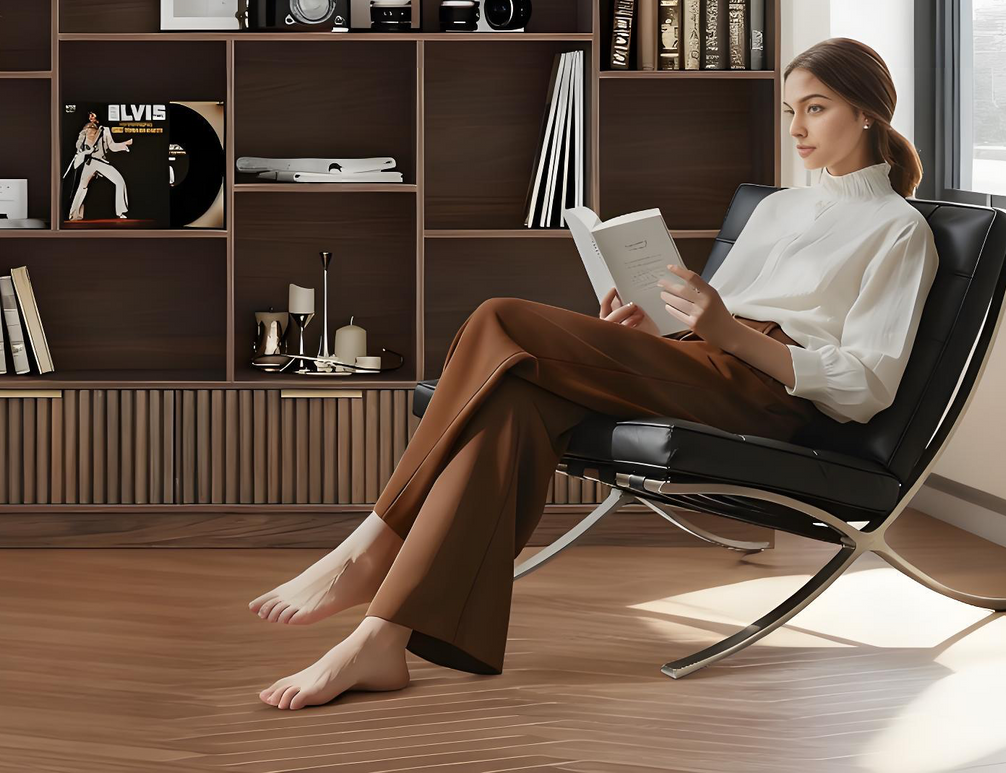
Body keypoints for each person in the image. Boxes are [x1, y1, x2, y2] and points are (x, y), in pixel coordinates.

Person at [249, 37, 940, 711]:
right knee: (516, 398)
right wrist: (649, 331)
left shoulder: (898, 229)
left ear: (867, 114)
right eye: (789, 108)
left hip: (770, 396)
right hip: (703, 363)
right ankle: (381, 637)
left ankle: (367, 546)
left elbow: (864, 384)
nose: (794, 126)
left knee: (500, 317)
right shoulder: (778, 205)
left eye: (814, 108)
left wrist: (724, 331)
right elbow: (706, 323)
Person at [64, 111, 132, 221]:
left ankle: (121, 212)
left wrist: (125, 144)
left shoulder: (105, 130)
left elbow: (112, 146)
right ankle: (74, 215)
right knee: (82, 187)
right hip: (89, 162)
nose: (90, 117)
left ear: (98, 118)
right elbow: (78, 144)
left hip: (101, 161)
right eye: (89, 115)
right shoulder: (85, 129)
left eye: (93, 115)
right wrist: (84, 148)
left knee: (120, 181)